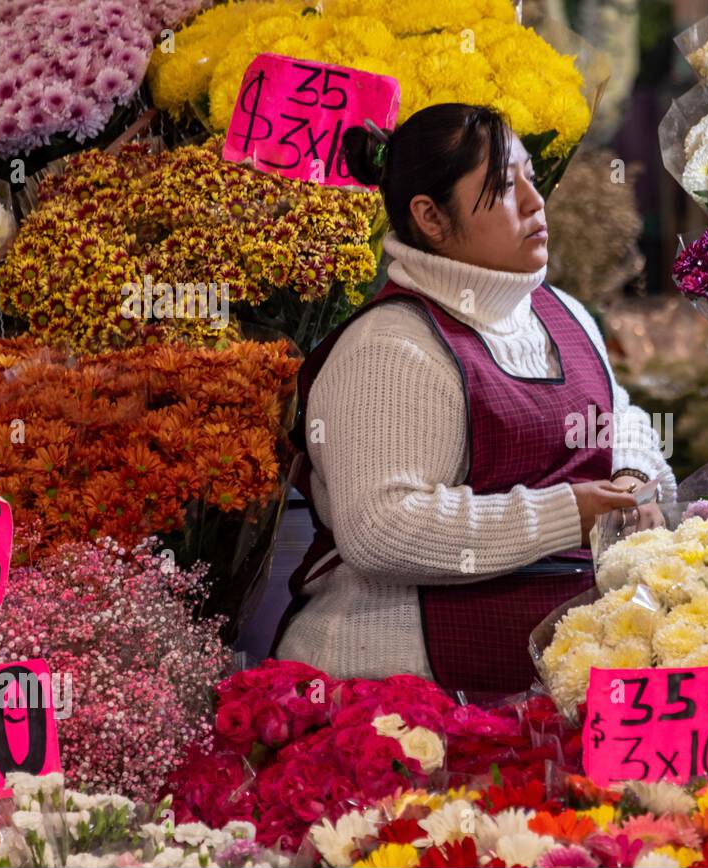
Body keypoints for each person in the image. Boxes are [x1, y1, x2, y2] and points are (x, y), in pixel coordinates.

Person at [272, 103, 675, 695]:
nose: (537, 204)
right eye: (505, 189)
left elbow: (623, 420)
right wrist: (571, 513)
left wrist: (632, 479)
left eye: (532, 179)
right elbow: (380, 529)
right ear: (430, 217)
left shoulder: (564, 316)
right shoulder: (389, 348)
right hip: (396, 702)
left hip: (542, 695)